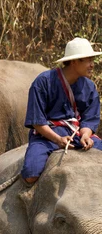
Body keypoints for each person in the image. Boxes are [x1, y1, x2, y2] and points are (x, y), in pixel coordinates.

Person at [21, 37, 102, 183]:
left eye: (92, 60)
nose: (92, 65)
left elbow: (90, 119)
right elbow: (37, 121)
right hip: (47, 137)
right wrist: (57, 140)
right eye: (88, 60)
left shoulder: (89, 87)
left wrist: (85, 135)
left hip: (76, 135)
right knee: (31, 174)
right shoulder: (43, 82)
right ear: (74, 61)